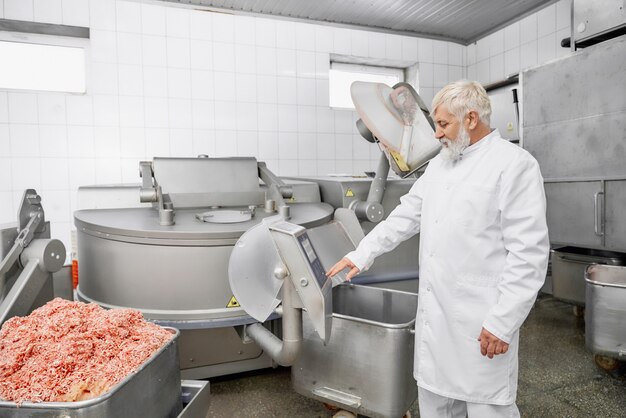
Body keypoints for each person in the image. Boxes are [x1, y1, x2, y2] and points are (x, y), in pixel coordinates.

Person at [326, 80, 549, 418]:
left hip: (480, 321)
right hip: (437, 320)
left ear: (471, 119)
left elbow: (529, 254)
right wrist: (362, 253)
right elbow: (404, 217)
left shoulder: (514, 165)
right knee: (436, 405)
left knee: (487, 408)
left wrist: (504, 322)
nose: (436, 134)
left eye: (444, 124)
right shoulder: (441, 164)